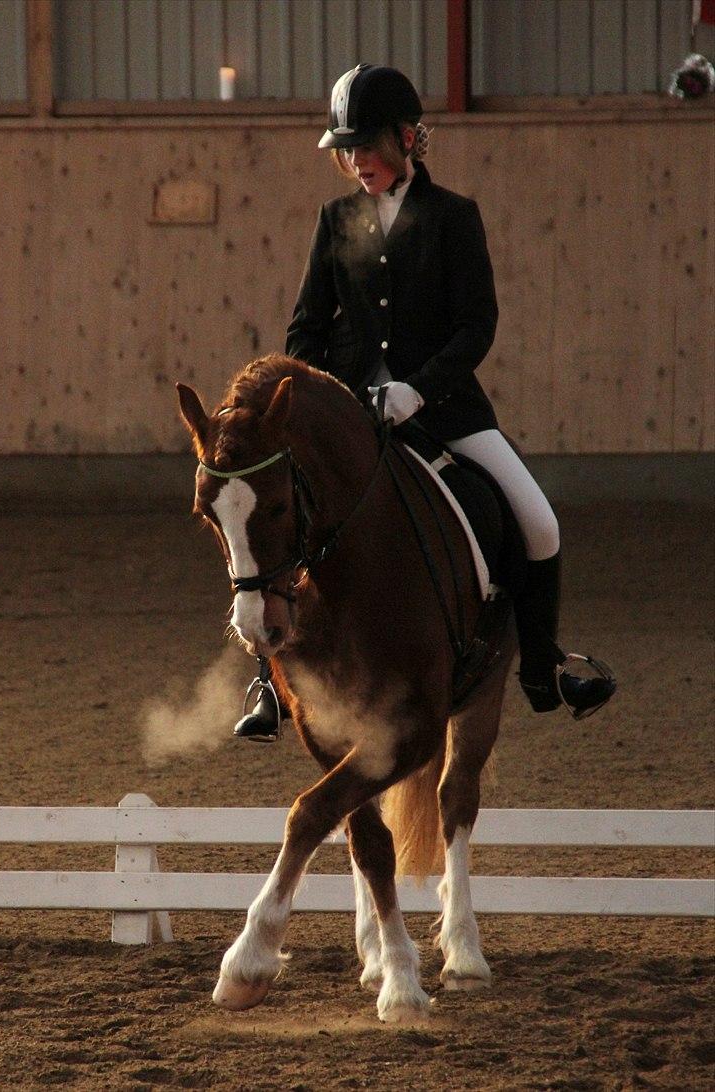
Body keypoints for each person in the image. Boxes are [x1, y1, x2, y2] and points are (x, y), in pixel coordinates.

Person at [236, 63, 615, 740]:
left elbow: (477, 326)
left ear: (408, 138)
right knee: (271, 515)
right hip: (351, 418)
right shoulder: (335, 220)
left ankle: (544, 668)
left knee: (540, 523)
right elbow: (305, 330)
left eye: (368, 146)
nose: (357, 162)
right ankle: (265, 682)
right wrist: (328, 404)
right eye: (346, 150)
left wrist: (420, 388)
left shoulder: (453, 219)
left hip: (441, 409)